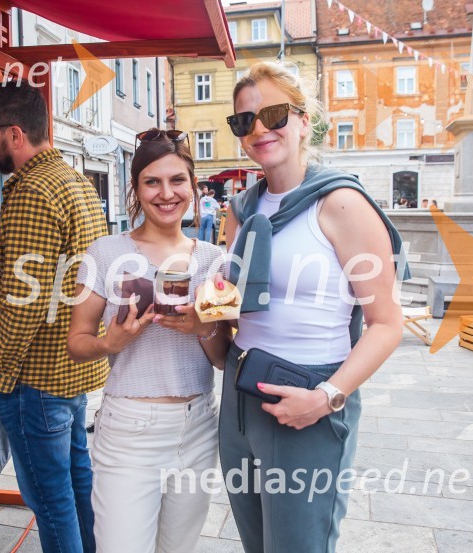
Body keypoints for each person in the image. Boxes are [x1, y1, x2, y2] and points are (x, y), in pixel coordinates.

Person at [221, 61, 404, 553]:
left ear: (304, 121)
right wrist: (199, 322)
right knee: (256, 544)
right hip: (238, 395)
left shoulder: (341, 204)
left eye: (275, 114)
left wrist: (327, 398)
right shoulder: (239, 213)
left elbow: (387, 323)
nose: (259, 129)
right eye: (244, 121)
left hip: (309, 394)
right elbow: (230, 315)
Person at [67, 128, 231, 553]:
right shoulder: (104, 252)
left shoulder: (214, 260)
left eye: (177, 180)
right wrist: (110, 343)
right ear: (136, 190)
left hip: (198, 425)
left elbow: (222, 359)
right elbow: (77, 341)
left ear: (193, 186)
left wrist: (204, 328)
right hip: (129, 430)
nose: (166, 193)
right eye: (152, 182)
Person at [0, 80, 109, 553]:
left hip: (35, 378)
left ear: (13, 134)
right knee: (75, 485)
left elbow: (21, 304)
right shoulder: (74, 180)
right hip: (67, 371)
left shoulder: (33, 188)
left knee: (50, 499)